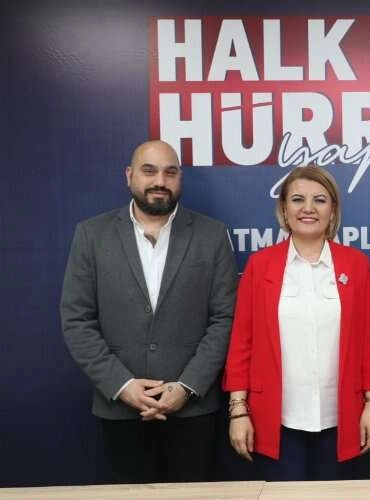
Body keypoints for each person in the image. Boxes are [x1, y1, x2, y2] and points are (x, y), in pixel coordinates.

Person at [60, 140, 237, 483]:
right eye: (149, 171)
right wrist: (122, 385)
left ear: (180, 178)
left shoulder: (212, 235)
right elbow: (77, 320)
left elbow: (224, 319)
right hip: (120, 409)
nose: (160, 181)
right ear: (129, 175)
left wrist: (186, 387)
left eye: (170, 172)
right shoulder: (92, 235)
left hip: (192, 411)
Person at [223, 165, 370, 481]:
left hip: (342, 417)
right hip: (276, 420)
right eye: (298, 199)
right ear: (284, 208)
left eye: (319, 200)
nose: (308, 208)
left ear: (333, 209)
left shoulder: (355, 264)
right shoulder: (260, 265)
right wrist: (238, 409)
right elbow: (242, 341)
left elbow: (368, 341)